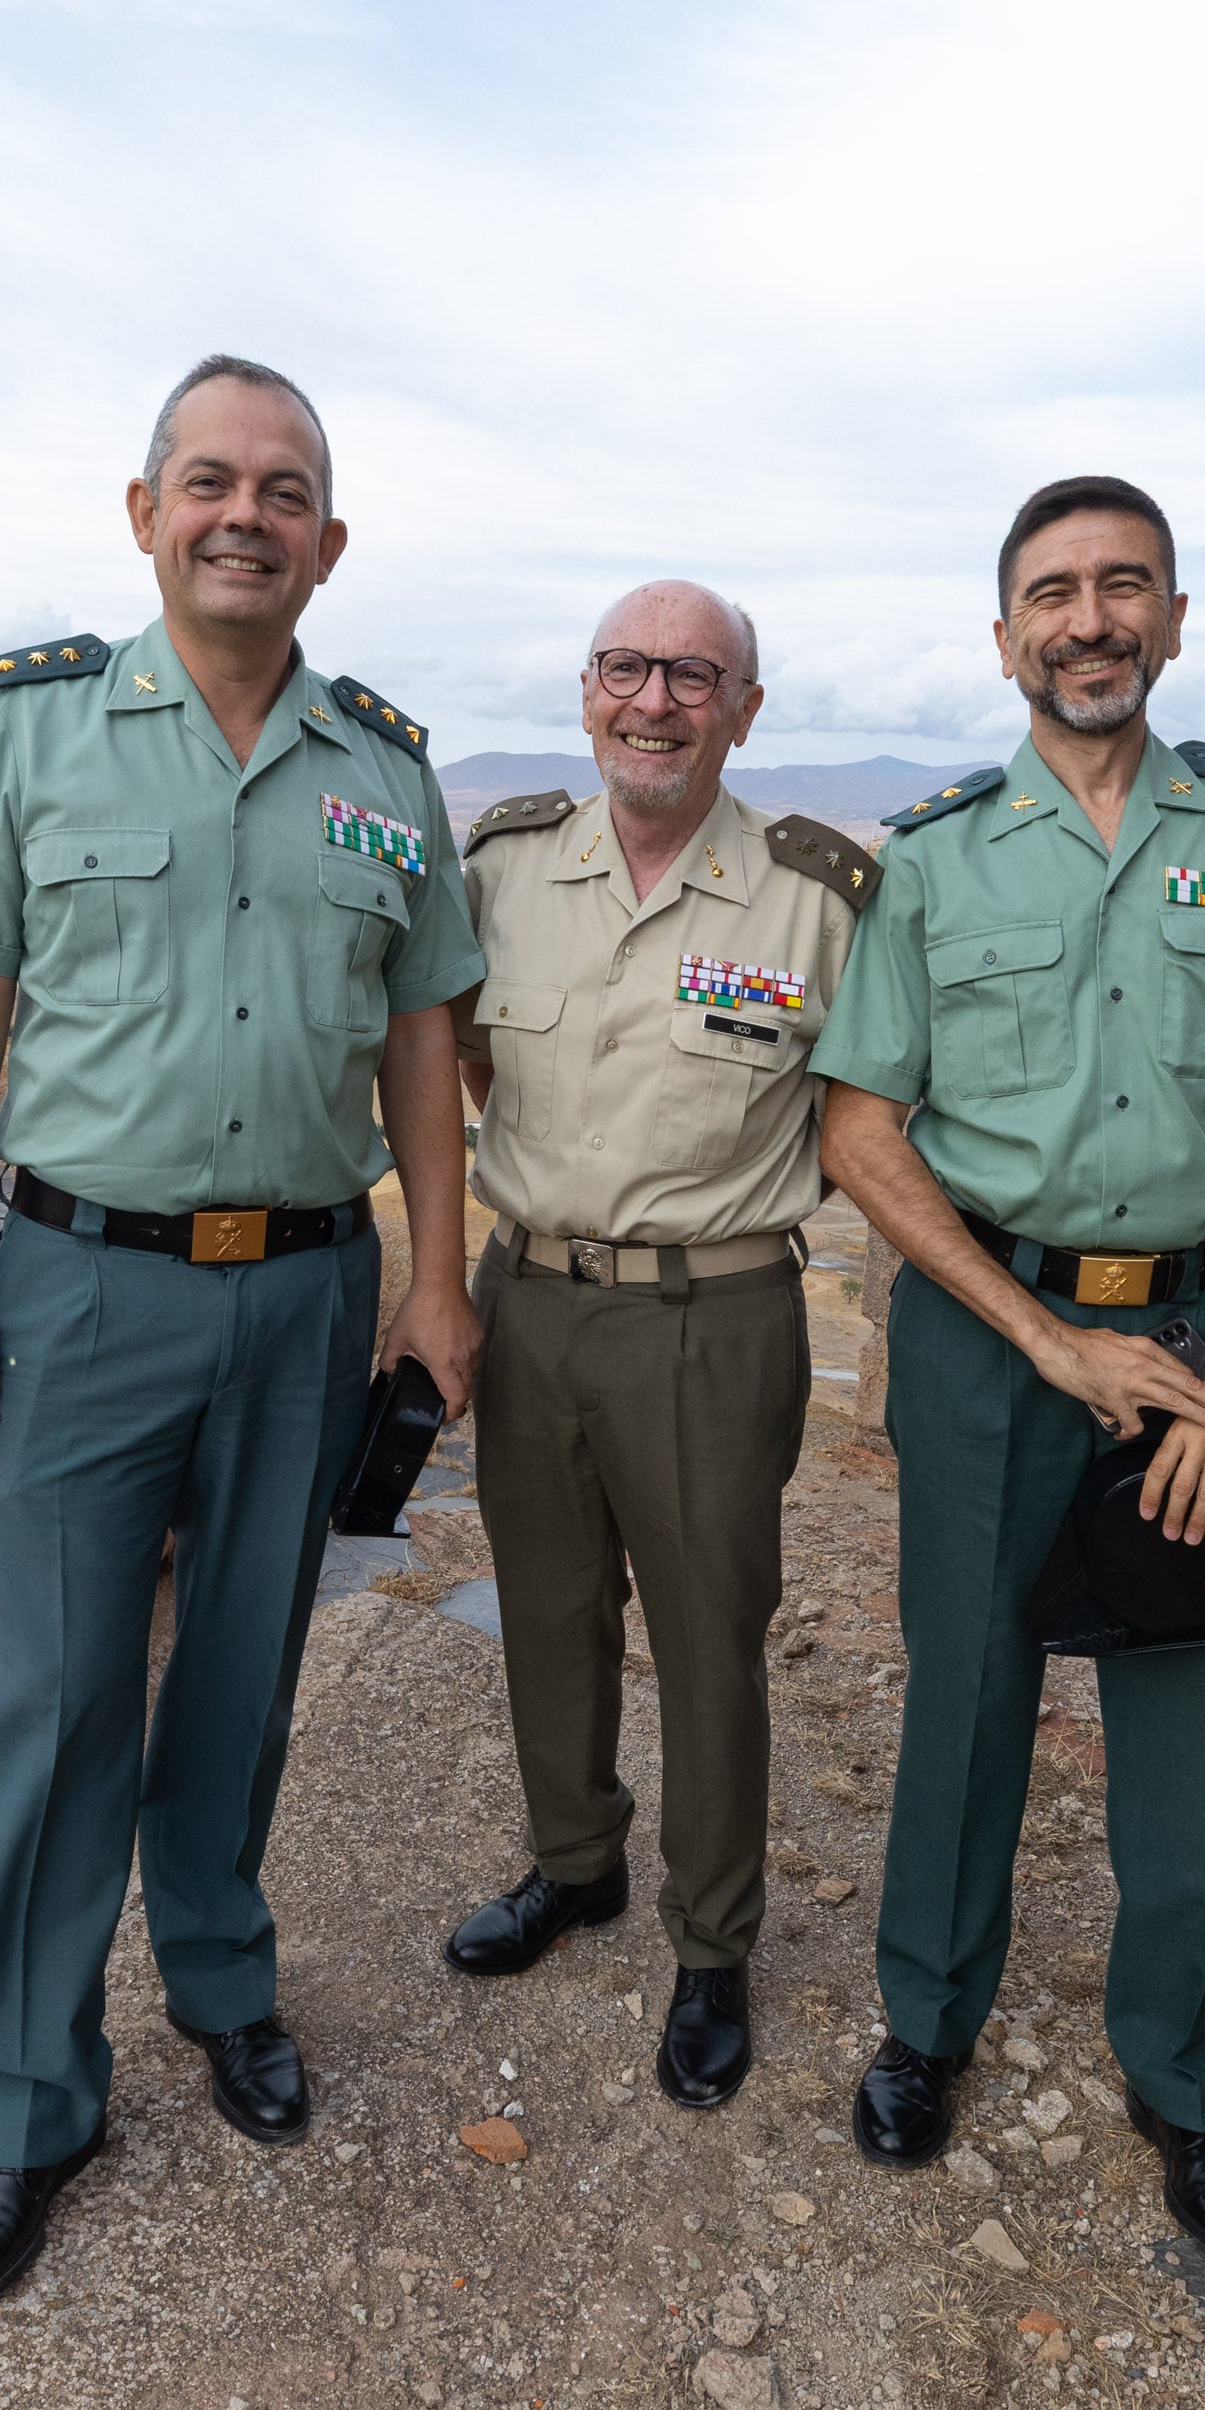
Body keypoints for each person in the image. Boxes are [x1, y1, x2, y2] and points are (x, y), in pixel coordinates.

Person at [0, 355, 487, 2316]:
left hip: (307, 1291)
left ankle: (222, 1982)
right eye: (209, 480)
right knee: (63, 1704)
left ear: (329, 538)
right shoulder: (35, 734)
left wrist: (433, 1276)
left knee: (240, 1674)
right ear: (141, 510)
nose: (246, 511)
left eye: (284, 487)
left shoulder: (385, 775)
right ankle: (29, 2103)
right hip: (76, 1289)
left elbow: (418, 1040)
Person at [808, 474, 1205, 2261]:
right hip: (1002, 1347)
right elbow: (859, 1128)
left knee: (1198, 1716)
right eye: (1054, 593)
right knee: (969, 1697)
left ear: (1170, 617)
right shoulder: (931, 857)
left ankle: (1188, 2083)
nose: (1090, 620)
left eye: (1123, 586)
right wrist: (1045, 1340)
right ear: (1005, 637)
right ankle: (929, 2024)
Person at [439, 582, 880, 2106]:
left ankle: (712, 1943)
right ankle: (575, 1868)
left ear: (744, 711)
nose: (656, 701)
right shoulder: (503, 867)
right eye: (628, 669)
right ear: (584, 692)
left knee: (708, 1638)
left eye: (696, 677)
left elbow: (876, 1111)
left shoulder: (816, 897)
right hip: (533, 1300)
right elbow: (467, 1059)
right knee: (549, 1612)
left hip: (716, 1316)